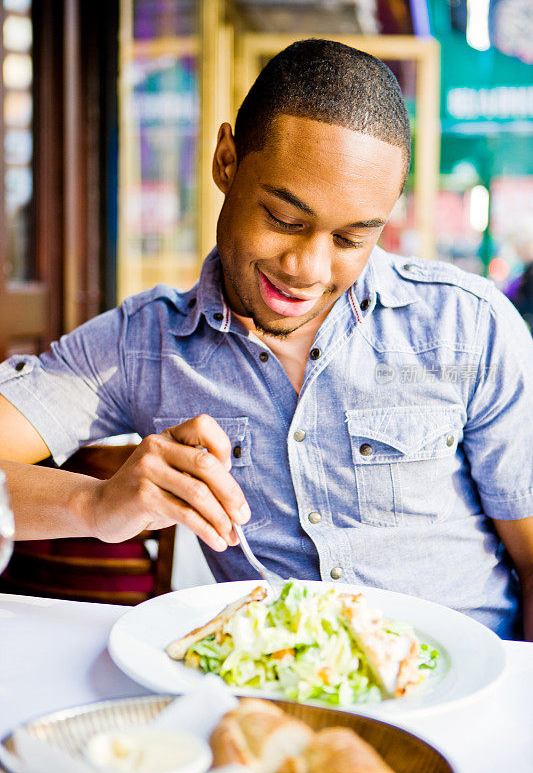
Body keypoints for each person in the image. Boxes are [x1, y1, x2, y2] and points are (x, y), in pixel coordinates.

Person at [0, 40, 532, 641]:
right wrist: (94, 508)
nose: (308, 269)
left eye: (352, 239)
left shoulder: (471, 327)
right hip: (272, 702)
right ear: (226, 160)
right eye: (284, 219)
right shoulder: (142, 344)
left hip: (465, 693)